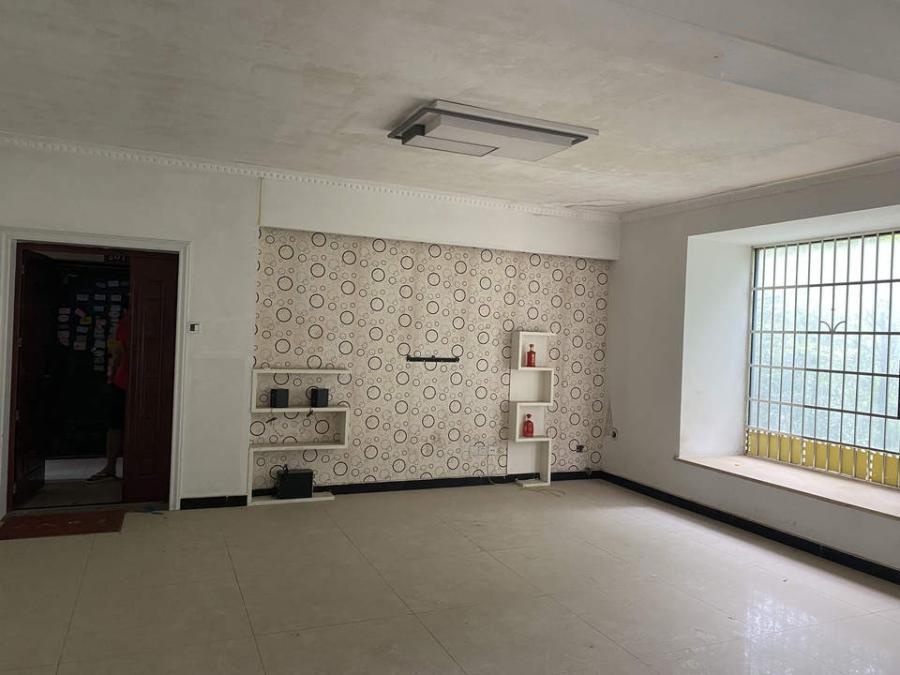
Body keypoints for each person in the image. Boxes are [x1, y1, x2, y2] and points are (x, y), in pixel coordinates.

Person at [87, 303, 130, 482]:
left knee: (115, 425)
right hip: (134, 381)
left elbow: (118, 352)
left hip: (122, 381)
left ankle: (110, 467)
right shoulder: (133, 323)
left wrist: (111, 374)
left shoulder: (125, 323)